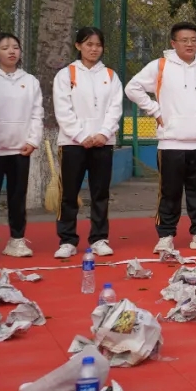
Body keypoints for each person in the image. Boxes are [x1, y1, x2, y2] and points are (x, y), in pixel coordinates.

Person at [125, 22, 196, 254]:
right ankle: (166, 235)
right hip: (171, 142)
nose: (190, 44)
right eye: (184, 40)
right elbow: (132, 88)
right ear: (173, 43)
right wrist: (155, 111)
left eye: (194, 40)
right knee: (170, 192)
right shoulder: (160, 66)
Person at [52, 27, 123, 259]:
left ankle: (99, 238)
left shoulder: (110, 76)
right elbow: (63, 110)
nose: (94, 49)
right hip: (72, 144)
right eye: (89, 44)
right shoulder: (66, 75)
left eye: (98, 45)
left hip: (103, 143)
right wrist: (81, 136)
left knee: (100, 193)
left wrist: (103, 133)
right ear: (78, 46)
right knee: (69, 194)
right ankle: (67, 240)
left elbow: (115, 108)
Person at [0, 32, 43, 260]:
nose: (11, 51)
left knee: (17, 197)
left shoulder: (30, 81)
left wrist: (32, 141)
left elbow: (37, 113)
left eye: (15, 47)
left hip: (20, 149)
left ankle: (16, 240)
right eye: (5, 48)